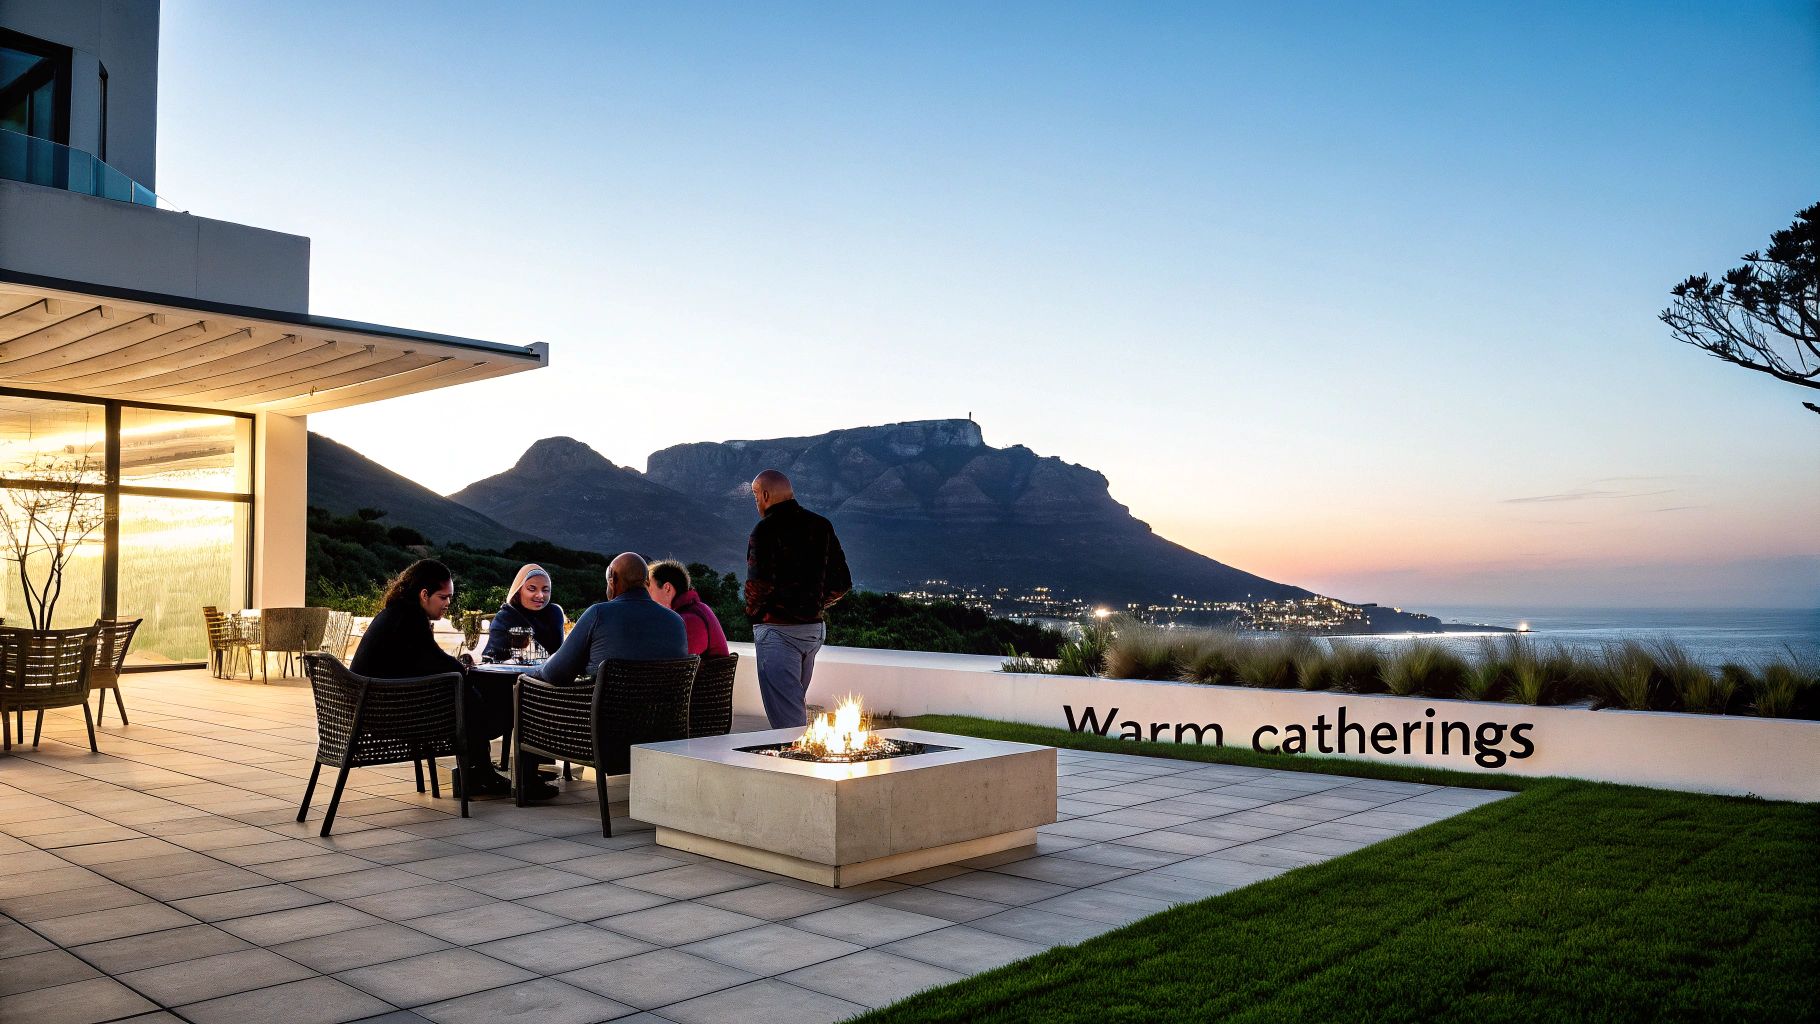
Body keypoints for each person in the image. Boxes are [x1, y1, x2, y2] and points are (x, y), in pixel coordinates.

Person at [350, 560, 551, 799]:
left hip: (375, 705)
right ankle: (487, 772)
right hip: (387, 713)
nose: (448, 604)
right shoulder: (409, 619)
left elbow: (428, 660)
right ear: (424, 595)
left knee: (467, 691)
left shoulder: (398, 614)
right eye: (443, 597)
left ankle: (479, 771)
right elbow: (436, 660)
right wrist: (464, 671)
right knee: (476, 695)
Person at [744, 469, 851, 728]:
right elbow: (842, 583)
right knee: (793, 708)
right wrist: (813, 603)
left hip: (778, 631)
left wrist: (753, 614)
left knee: (788, 722)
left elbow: (758, 586)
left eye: (756, 496)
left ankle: (796, 765)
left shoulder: (765, 530)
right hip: (812, 631)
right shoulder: (821, 525)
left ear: (766, 495)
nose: (756, 502)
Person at [530, 552, 688, 688]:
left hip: (603, 721)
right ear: (646, 583)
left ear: (612, 580)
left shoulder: (598, 614)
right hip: (662, 720)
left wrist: (534, 671)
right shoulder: (676, 621)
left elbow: (556, 674)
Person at [483, 563, 565, 662]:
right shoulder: (506, 616)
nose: (540, 595)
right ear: (518, 590)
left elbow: (560, 655)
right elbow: (491, 658)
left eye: (545, 590)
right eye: (532, 589)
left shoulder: (554, 613)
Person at [647, 560, 729, 658]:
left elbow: (668, 658)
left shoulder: (689, 620)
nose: (647, 597)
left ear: (667, 588)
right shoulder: (697, 610)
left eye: (650, 590)